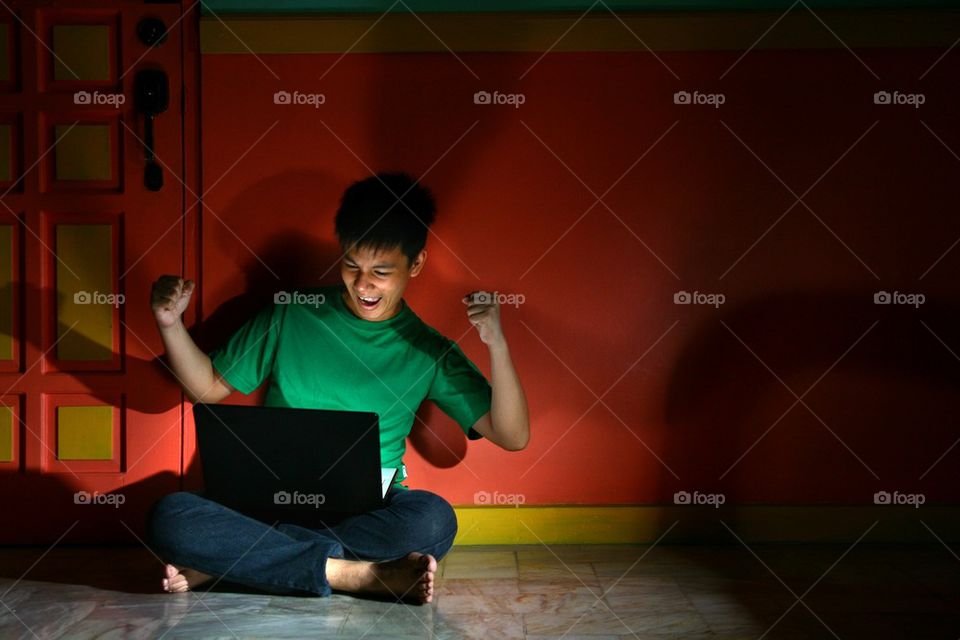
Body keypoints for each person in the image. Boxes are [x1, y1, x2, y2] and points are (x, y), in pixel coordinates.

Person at [146, 173, 529, 604]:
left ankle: (240, 564)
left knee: (434, 520)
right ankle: (351, 574)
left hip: (361, 514)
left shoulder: (429, 350)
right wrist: (169, 323)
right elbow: (209, 388)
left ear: (415, 264)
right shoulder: (292, 314)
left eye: (381, 272)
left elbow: (512, 436)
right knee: (171, 517)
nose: (363, 285)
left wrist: (496, 342)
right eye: (352, 266)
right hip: (267, 504)